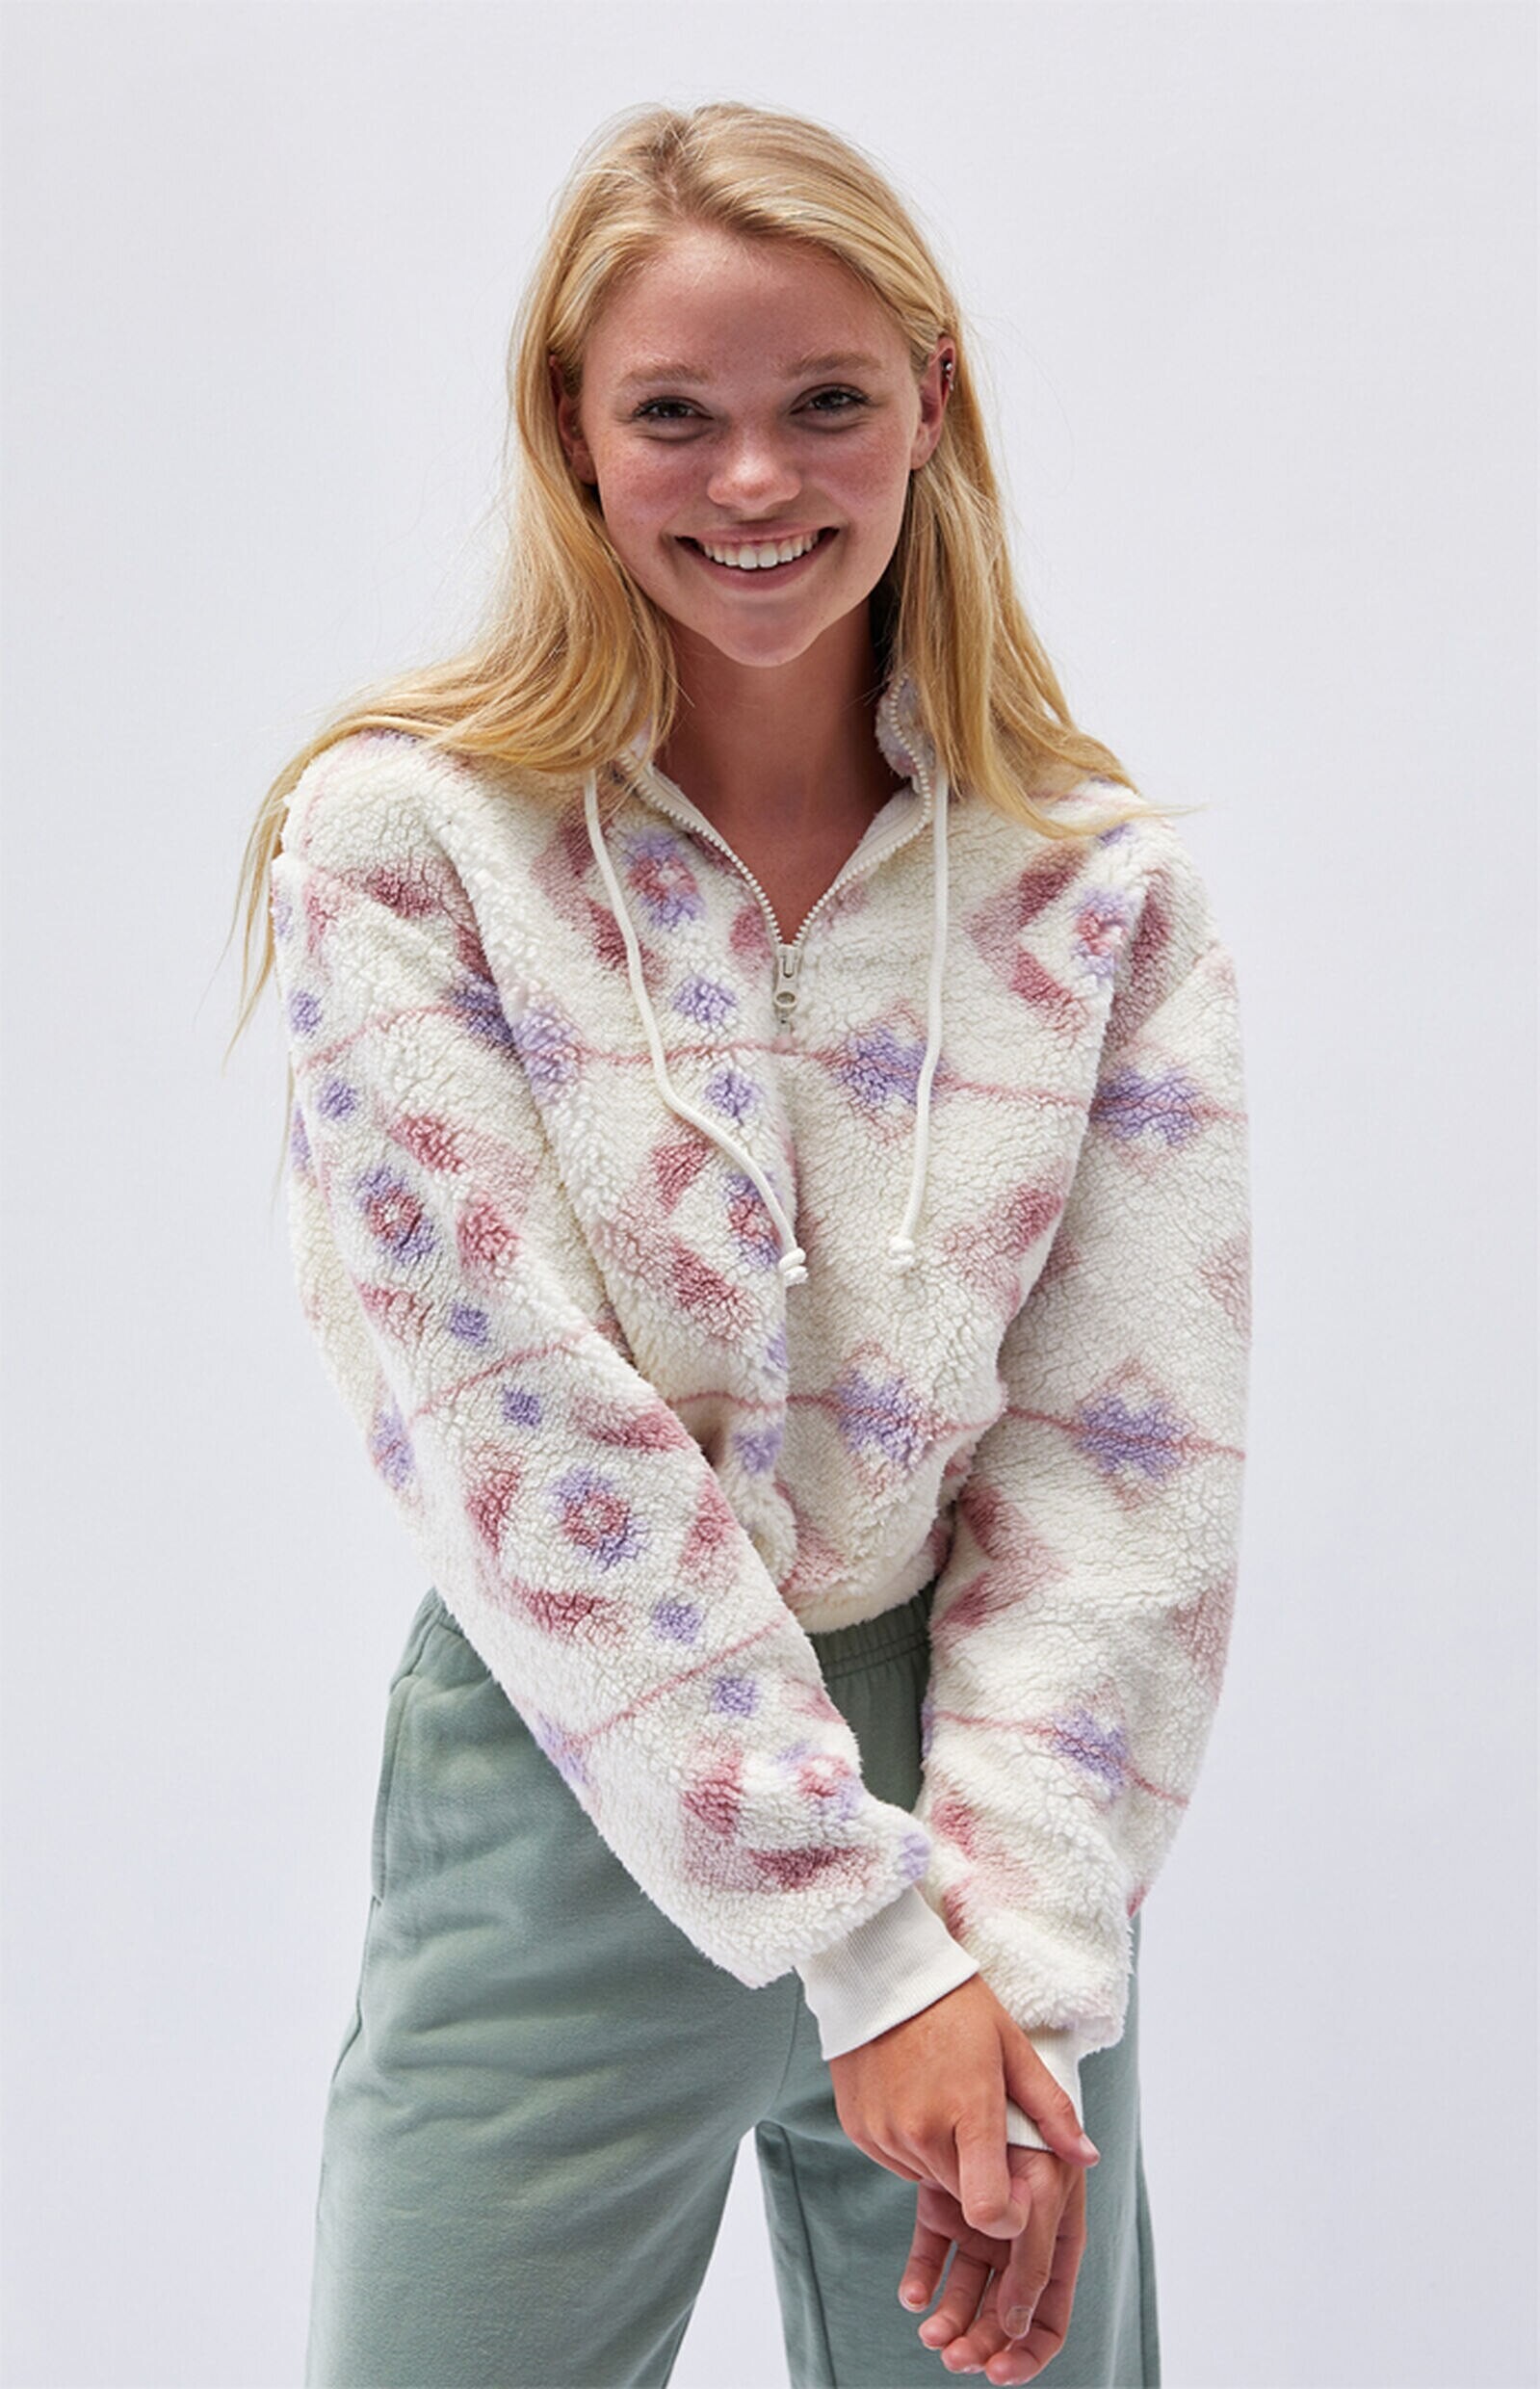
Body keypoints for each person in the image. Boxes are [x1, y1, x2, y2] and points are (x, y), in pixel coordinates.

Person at [229, 98, 1250, 2389]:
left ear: (930, 405)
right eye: (674, 414)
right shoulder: (407, 849)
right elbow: (505, 1415)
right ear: (572, 434)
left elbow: (1126, 1464)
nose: (756, 480)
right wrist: (854, 1947)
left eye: (826, 402)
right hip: (566, 1779)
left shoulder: (1095, 897)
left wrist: (1001, 1958)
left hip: (994, 1797)